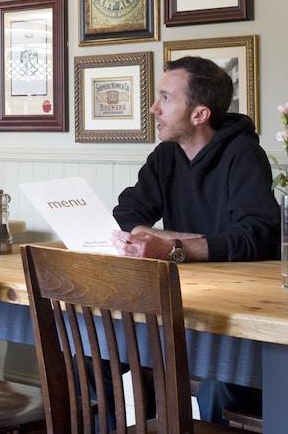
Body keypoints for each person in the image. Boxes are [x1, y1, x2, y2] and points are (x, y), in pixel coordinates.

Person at [110, 55, 279, 424]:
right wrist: (168, 242)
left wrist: (172, 248)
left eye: (166, 98)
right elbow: (128, 212)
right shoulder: (166, 155)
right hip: (174, 310)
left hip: (239, 316)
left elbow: (258, 237)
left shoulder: (244, 155)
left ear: (199, 114)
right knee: (97, 361)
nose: (154, 108)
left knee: (219, 384)